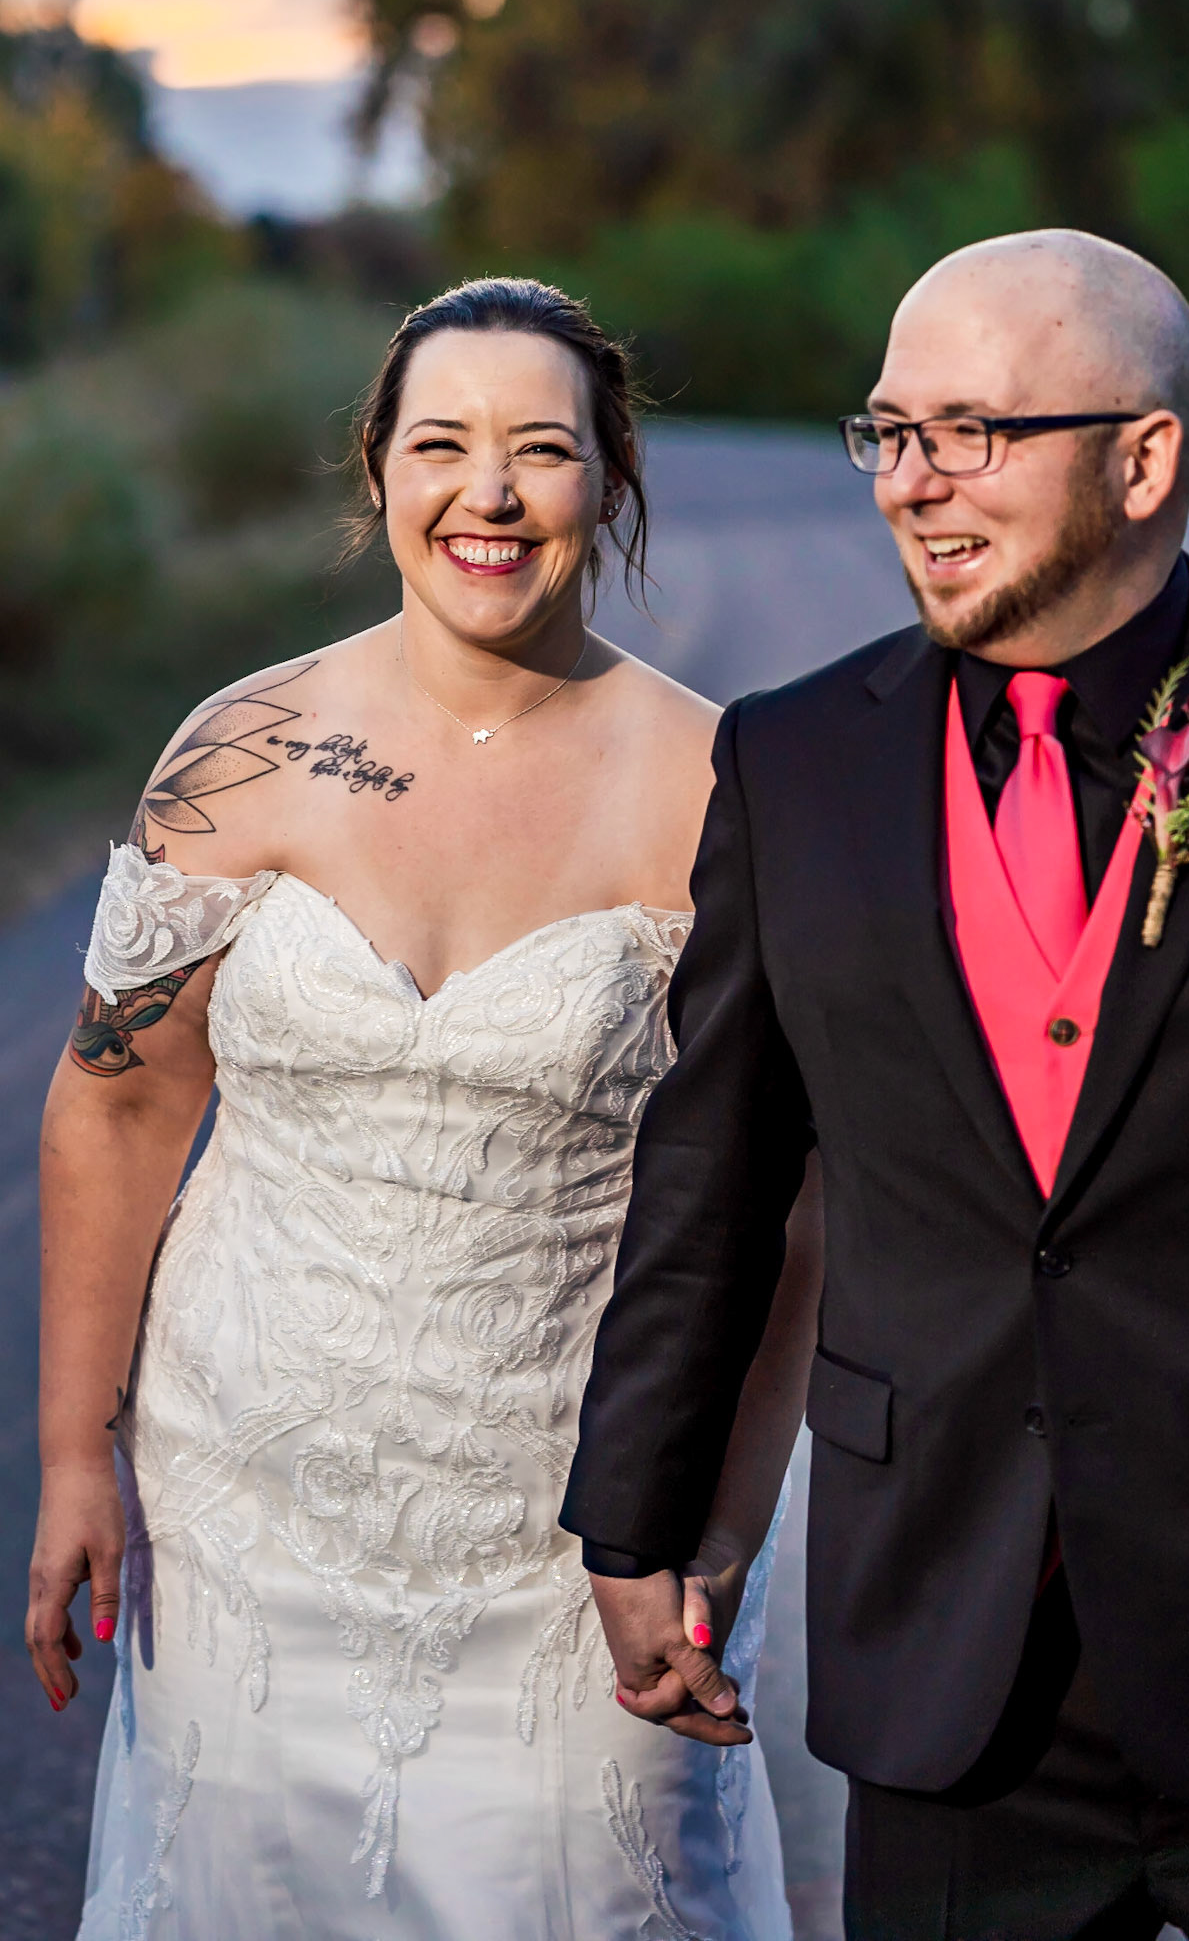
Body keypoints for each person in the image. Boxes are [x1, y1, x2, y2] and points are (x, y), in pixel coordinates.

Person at [562, 229, 1189, 1940]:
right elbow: (712, 1171)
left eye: (970, 434)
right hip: (949, 1657)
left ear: (1140, 458)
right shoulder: (792, 760)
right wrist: (635, 1520)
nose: (910, 485)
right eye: (885, 433)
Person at [26, 276, 819, 1941]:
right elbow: (116, 1111)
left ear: (611, 481)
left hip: (577, 1538)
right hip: (245, 1512)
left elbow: (783, 1210)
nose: (490, 493)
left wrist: (724, 1527)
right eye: (442, 444)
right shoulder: (238, 753)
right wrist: (70, 1455)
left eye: (542, 450)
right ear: (374, 469)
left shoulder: (722, 790)